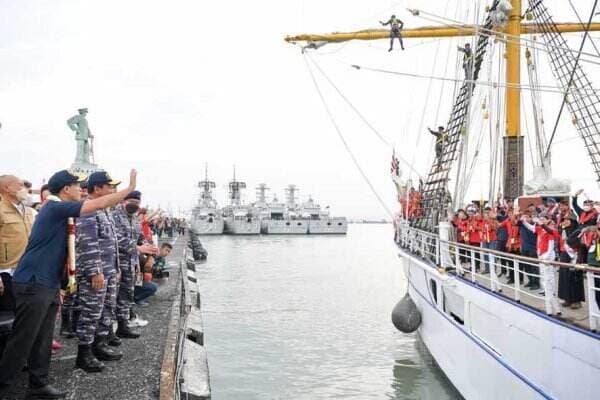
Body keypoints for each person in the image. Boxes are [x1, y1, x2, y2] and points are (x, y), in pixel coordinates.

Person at [0, 169, 137, 399]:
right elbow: (97, 204)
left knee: (42, 337)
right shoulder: (55, 207)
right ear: (65, 189)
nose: (81, 191)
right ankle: (3, 384)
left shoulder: (59, 211)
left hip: (48, 282)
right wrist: (128, 189)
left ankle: (38, 384)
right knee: (23, 339)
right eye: (77, 186)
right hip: (34, 282)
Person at [75, 171, 125, 372]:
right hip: (96, 273)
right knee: (91, 312)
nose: (113, 190)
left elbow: (111, 243)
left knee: (106, 309)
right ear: (97, 188)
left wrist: (116, 268)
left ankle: (100, 344)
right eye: (109, 186)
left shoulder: (104, 210)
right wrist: (96, 271)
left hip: (109, 270)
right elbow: (88, 244)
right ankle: (84, 354)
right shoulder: (88, 210)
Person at [113, 190, 156, 339]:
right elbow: (116, 239)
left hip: (131, 264)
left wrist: (150, 249)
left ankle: (123, 326)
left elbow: (140, 238)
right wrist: (138, 248)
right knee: (114, 297)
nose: (135, 205)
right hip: (116, 264)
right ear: (124, 201)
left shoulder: (135, 220)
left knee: (127, 295)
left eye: (137, 203)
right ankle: (107, 332)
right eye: (132, 202)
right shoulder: (115, 217)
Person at [521, 215, 561, 316]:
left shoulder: (550, 230)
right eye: (541, 219)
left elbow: (551, 245)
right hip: (541, 255)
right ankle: (549, 294)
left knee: (549, 277)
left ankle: (551, 296)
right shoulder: (540, 229)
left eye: (544, 219)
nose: (541, 221)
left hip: (546, 257)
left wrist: (546, 256)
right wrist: (524, 221)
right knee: (544, 275)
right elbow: (531, 228)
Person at [557, 216, 585, 309]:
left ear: (572, 221)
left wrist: (569, 241)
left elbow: (581, 244)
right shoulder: (563, 231)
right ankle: (567, 298)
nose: (565, 222)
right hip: (565, 255)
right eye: (564, 220)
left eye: (567, 220)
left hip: (575, 256)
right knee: (564, 277)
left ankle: (576, 301)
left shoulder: (578, 231)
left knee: (574, 278)